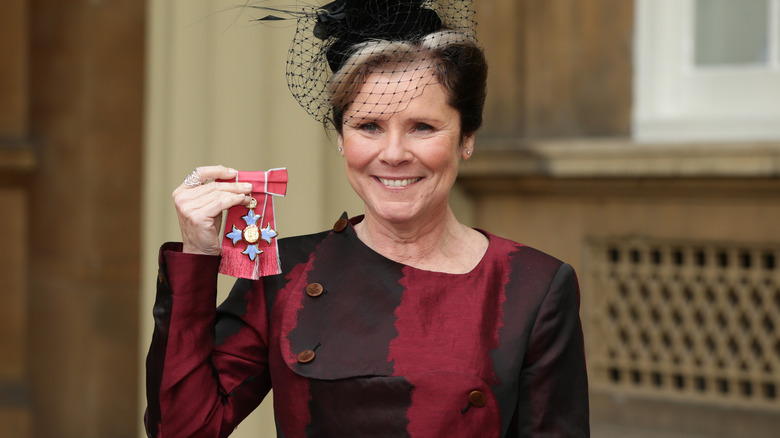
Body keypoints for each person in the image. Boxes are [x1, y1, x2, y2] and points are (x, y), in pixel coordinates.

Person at [145, 1, 589, 437]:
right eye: (369, 127)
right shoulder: (283, 272)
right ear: (341, 138)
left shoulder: (534, 286)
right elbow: (184, 430)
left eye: (423, 127)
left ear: (466, 139)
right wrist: (199, 254)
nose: (393, 155)